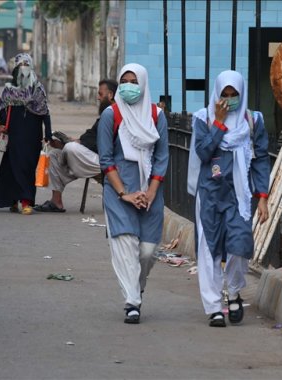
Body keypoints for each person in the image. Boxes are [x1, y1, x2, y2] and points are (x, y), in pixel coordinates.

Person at [187, 70, 270, 327]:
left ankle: (233, 291)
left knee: (240, 245)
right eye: (225, 94)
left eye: (234, 95)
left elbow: (261, 158)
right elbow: (203, 151)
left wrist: (263, 197)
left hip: (239, 194)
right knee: (209, 248)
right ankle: (213, 307)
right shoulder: (203, 118)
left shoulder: (253, 120)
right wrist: (220, 123)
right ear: (217, 93)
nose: (229, 99)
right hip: (210, 193)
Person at [97, 63, 168, 324]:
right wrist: (124, 193)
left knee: (148, 252)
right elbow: (106, 160)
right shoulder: (111, 114)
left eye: (134, 81)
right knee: (125, 246)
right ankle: (132, 302)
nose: (128, 86)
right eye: (124, 81)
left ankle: (137, 288)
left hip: (150, 194)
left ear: (144, 84)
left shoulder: (157, 116)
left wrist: (150, 192)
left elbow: (162, 157)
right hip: (119, 193)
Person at [34, 79, 117, 212]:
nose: (97, 98)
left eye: (100, 94)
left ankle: (68, 159)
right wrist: (64, 143)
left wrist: (75, 144)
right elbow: (91, 136)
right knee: (54, 155)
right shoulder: (105, 115)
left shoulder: (116, 115)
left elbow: (103, 144)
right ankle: (56, 202)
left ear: (111, 95)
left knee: (71, 148)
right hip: (90, 159)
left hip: (106, 161)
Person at [0, 53, 52, 215]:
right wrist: (3, 123)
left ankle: (27, 201)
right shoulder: (9, 88)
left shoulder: (37, 88)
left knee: (27, 167)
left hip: (32, 135)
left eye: (27, 64)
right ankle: (16, 200)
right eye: (21, 65)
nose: (24, 68)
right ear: (16, 67)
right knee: (13, 168)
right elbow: (2, 107)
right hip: (14, 133)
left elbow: (45, 112)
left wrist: (48, 133)